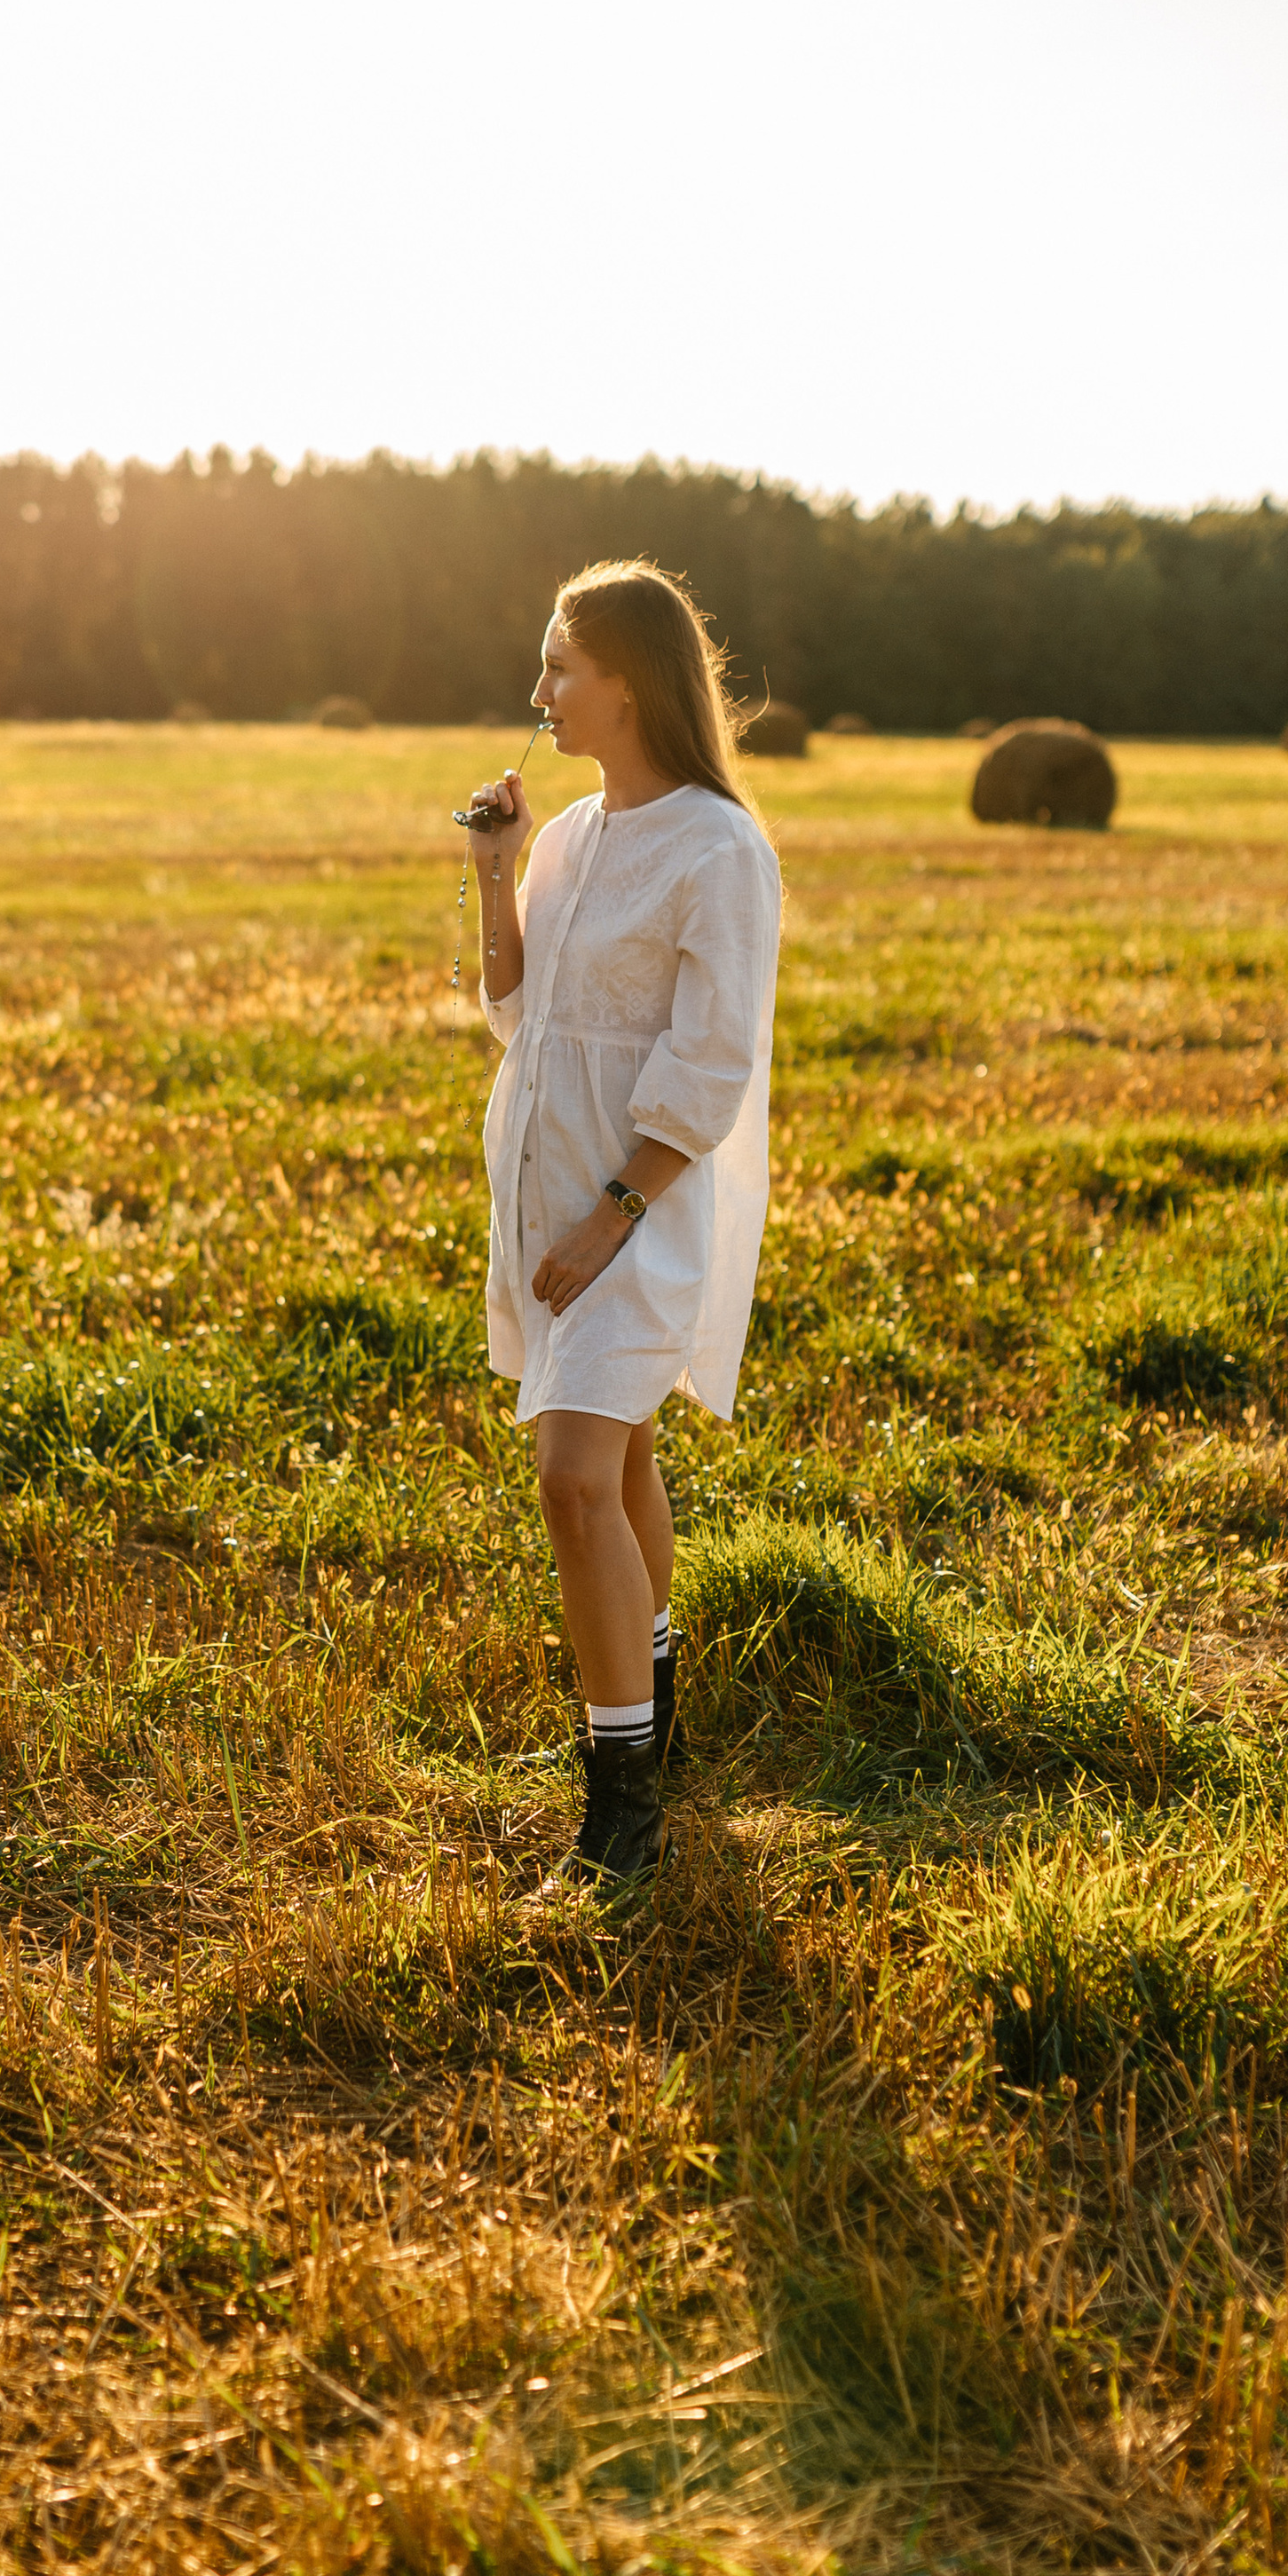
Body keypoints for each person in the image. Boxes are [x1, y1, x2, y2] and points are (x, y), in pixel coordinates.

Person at [462, 561, 782, 1897]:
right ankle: (655, 1725)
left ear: (629, 682)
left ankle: (621, 1816)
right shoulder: (572, 837)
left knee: (574, 1478)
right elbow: (513, 1012)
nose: (539, 693)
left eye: (558, 667)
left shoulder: (719, 848)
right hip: (549, 1194)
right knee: (626, 1449)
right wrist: (492, 871)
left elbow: (713, 1067)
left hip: (632, 1207)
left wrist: (611, 1216)